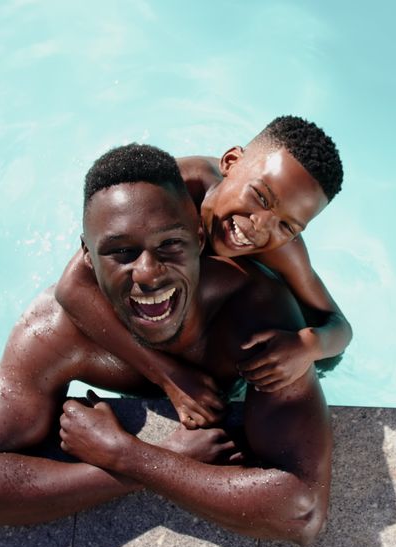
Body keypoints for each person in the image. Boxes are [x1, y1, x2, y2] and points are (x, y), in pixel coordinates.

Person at [0, 144, 332, 545]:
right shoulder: (55, 330)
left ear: (199, 238)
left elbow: (299, 513)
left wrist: (127, 455)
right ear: (88, 257)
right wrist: (143, 460)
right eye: (122, 252)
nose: (148, 274)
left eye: (170, 246)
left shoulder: (254, 316)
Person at [55, 116, 347, 429]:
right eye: (260, 197)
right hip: (167, 311)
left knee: (325, 357)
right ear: (231, 161)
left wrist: (307, 346)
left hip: (216, 316)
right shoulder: (167, 192)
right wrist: (168, 375)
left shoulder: (280, 249)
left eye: (288, 225)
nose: (259, 226)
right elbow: (71, 289)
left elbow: (338, 326)